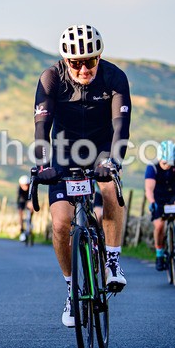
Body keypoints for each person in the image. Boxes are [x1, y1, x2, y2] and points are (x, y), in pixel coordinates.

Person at [32, 24, 131, 328]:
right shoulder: (51, 78)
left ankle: (112, 261)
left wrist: (113, 161)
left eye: (91, 60)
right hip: (63, 151)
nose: (84, 68)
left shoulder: (114, 78)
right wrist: (41, 165)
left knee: (109, 189)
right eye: (76, 63)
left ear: (99, 57)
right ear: (66, 61)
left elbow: (120, 128)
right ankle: (71, 288)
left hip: (102, 147)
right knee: (61, 225)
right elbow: (41, 128)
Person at [145, 140, 175, 270]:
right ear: (160, 158)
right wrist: (152, 202)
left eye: (169, 163)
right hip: (158, 197)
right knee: (160, 225)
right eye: (164, 162)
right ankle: (159, 254)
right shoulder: (152, 167)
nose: (167, 166)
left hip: (173, 194)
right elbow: (149, 188)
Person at [16, 175, 33, 242]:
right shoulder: (19, 189)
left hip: (28, 201)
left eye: (27, 185)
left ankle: (30, 220)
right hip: (21, 201)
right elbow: (20, 198)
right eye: (24, 185)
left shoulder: (31, 188)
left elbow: (33, 196)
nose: (25, 187)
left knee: (32, 208)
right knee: (21, 213)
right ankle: (22, 230)